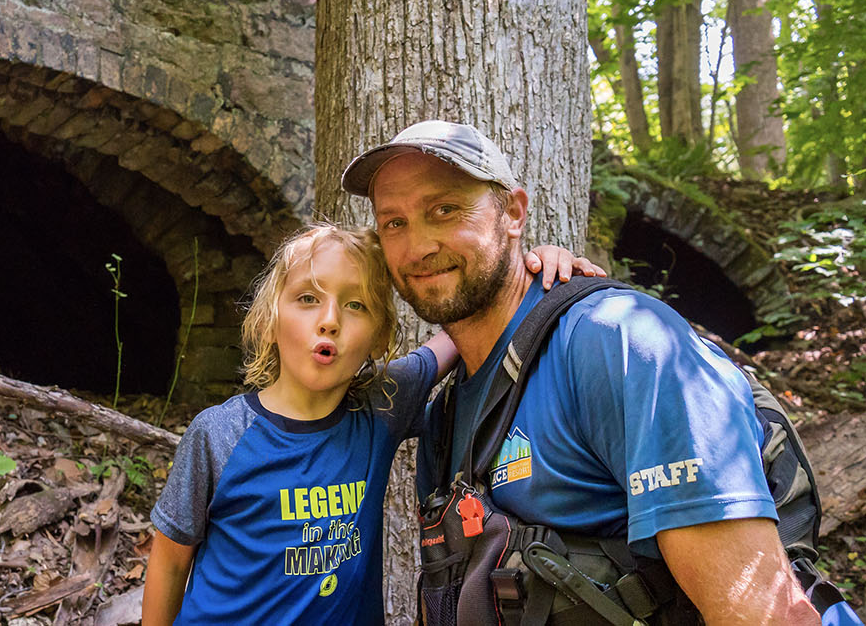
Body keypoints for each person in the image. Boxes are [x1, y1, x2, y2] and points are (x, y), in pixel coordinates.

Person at [340, 119, 819, 624]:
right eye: (394, 222)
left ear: (513, 213)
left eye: (445, 210)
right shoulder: (443, 419)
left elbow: (762, 611)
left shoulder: (619, 344)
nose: (418, 247)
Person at [141, 223, 600, 625]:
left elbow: (465, 332)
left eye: (355, 305)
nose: (329, 321)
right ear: (270, 318)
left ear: (381, 336)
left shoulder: (381, 407)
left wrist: (536, 273)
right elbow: (170, 561)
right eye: (307, 299)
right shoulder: (219, 434)